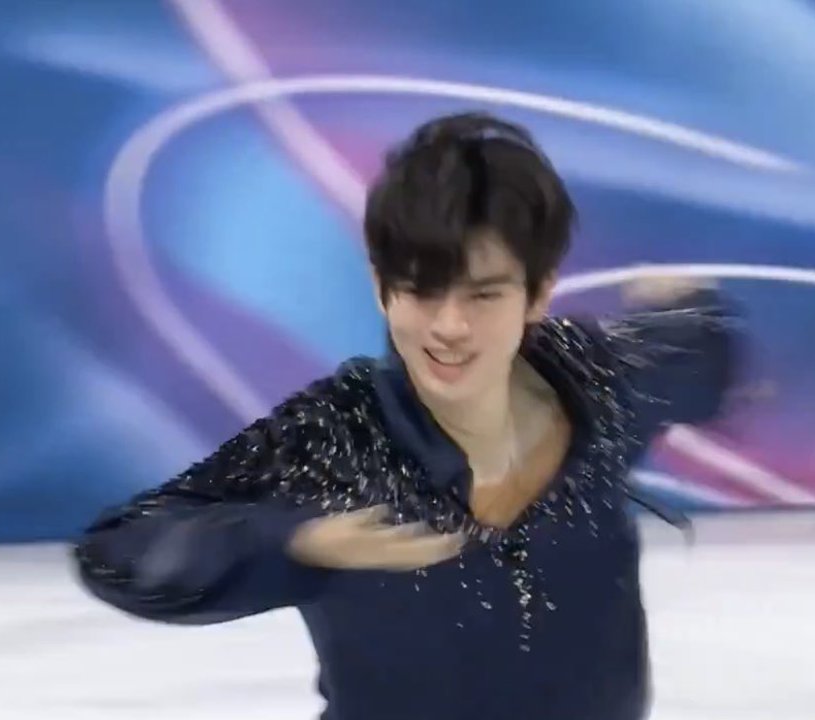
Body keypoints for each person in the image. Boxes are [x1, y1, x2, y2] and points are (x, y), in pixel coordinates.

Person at [71, 111, 740, 720]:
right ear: (380, 287)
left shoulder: (600, 381)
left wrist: (691, 306)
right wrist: (289, 541)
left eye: (482, 294)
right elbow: (120, 548)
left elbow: (692, 351)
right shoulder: (334, 434)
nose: (448, 326)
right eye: (421, 291)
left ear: (536, 293)